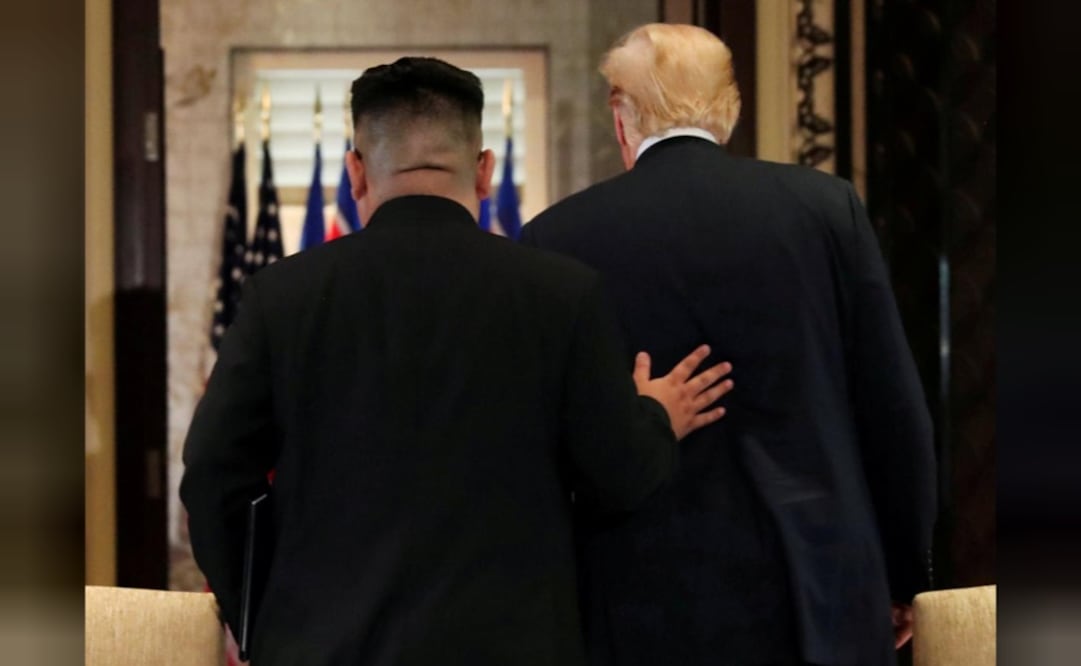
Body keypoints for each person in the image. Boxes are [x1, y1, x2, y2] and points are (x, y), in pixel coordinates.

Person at [181, 56, 733, 666]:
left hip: (323, 647)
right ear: (486, 171)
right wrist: (654, 416)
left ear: (355, 173)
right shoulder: (562, 295)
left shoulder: (279, 298)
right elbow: (617, 477)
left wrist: (256, 614)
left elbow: (210, 473)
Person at [520, 23, 937, 666]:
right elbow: (892, 408)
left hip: (638, 601)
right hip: (817, 592)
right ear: (731, 108)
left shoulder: (556, 237)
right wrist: (905, 573)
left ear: (620, 112)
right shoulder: (827, 210)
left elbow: (546, 448)